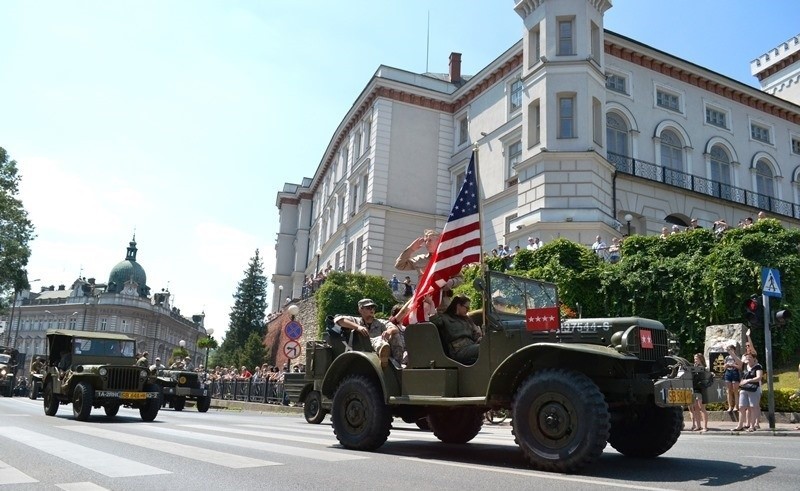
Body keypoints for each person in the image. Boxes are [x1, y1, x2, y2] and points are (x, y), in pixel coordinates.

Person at [395, 229, 463, 310]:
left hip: (442, 304)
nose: (427, 243)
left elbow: (460, 278)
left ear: (439, 241)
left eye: (430, 240)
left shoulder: (448, 260)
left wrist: (451, 282)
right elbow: (399, 265)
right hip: (422, 301)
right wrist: (411, 249)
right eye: (425, 241)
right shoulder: (420, 259)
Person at [334, 298, 403, 368]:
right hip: (363, 352)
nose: (372, 310)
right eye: (368, 308)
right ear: (360, 309)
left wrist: (389, 331)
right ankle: (383, 349)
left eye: (373, 307)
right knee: (376, 340)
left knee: (395, 334)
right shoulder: (356, 321)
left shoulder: (380, 322)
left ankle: (396, 364)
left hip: (380, 352)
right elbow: (338, 320)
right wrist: (358, 327)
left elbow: (394, 328)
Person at [429, 295, 482, 365]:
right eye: (466, 307)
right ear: (458, 305)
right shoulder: (445, 318)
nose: (468, 310)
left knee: (489, 345)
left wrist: (480, 338)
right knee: (484, 349)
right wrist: (431, 304)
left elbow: (476, 335)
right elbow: (434, 322)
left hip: (471, 346)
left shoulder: (467, 319)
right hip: (458, 350)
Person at [732, 352, 763, 432]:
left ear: (754, 358)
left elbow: (759, 377)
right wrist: (730, 351)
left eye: (750, 357)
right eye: (747, 358)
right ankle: (740, 425)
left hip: (753, 389)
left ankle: (752, 426)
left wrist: (748, 380)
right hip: (743, 389)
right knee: (741, 407)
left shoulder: (758, 367)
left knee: (753, 407)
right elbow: (736, 359)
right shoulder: (744, 366)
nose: (748, 359)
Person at [688, 353, 709, 432]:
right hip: (695, 388)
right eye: (694, 359)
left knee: (702, 407)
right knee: (695, 407)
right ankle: (698, 425)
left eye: (696, 359)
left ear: (701, 359)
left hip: (702, 389)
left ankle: (705, 426)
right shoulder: (694, 368)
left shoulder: (704, 368)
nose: (695, 360)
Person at [723, 344, 742, 413]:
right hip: (728, 372)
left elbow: (740, 366)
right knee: (729, 390)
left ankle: (736, 406)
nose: (729, 351)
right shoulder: (727, 357)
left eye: (731, 349)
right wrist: (726, 366)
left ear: (734, 350)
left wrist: (732, 365)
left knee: (735, 390)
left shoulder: (737, 357)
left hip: (735, 372)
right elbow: (724, 367)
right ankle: (730, 406)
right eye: (728, 350)